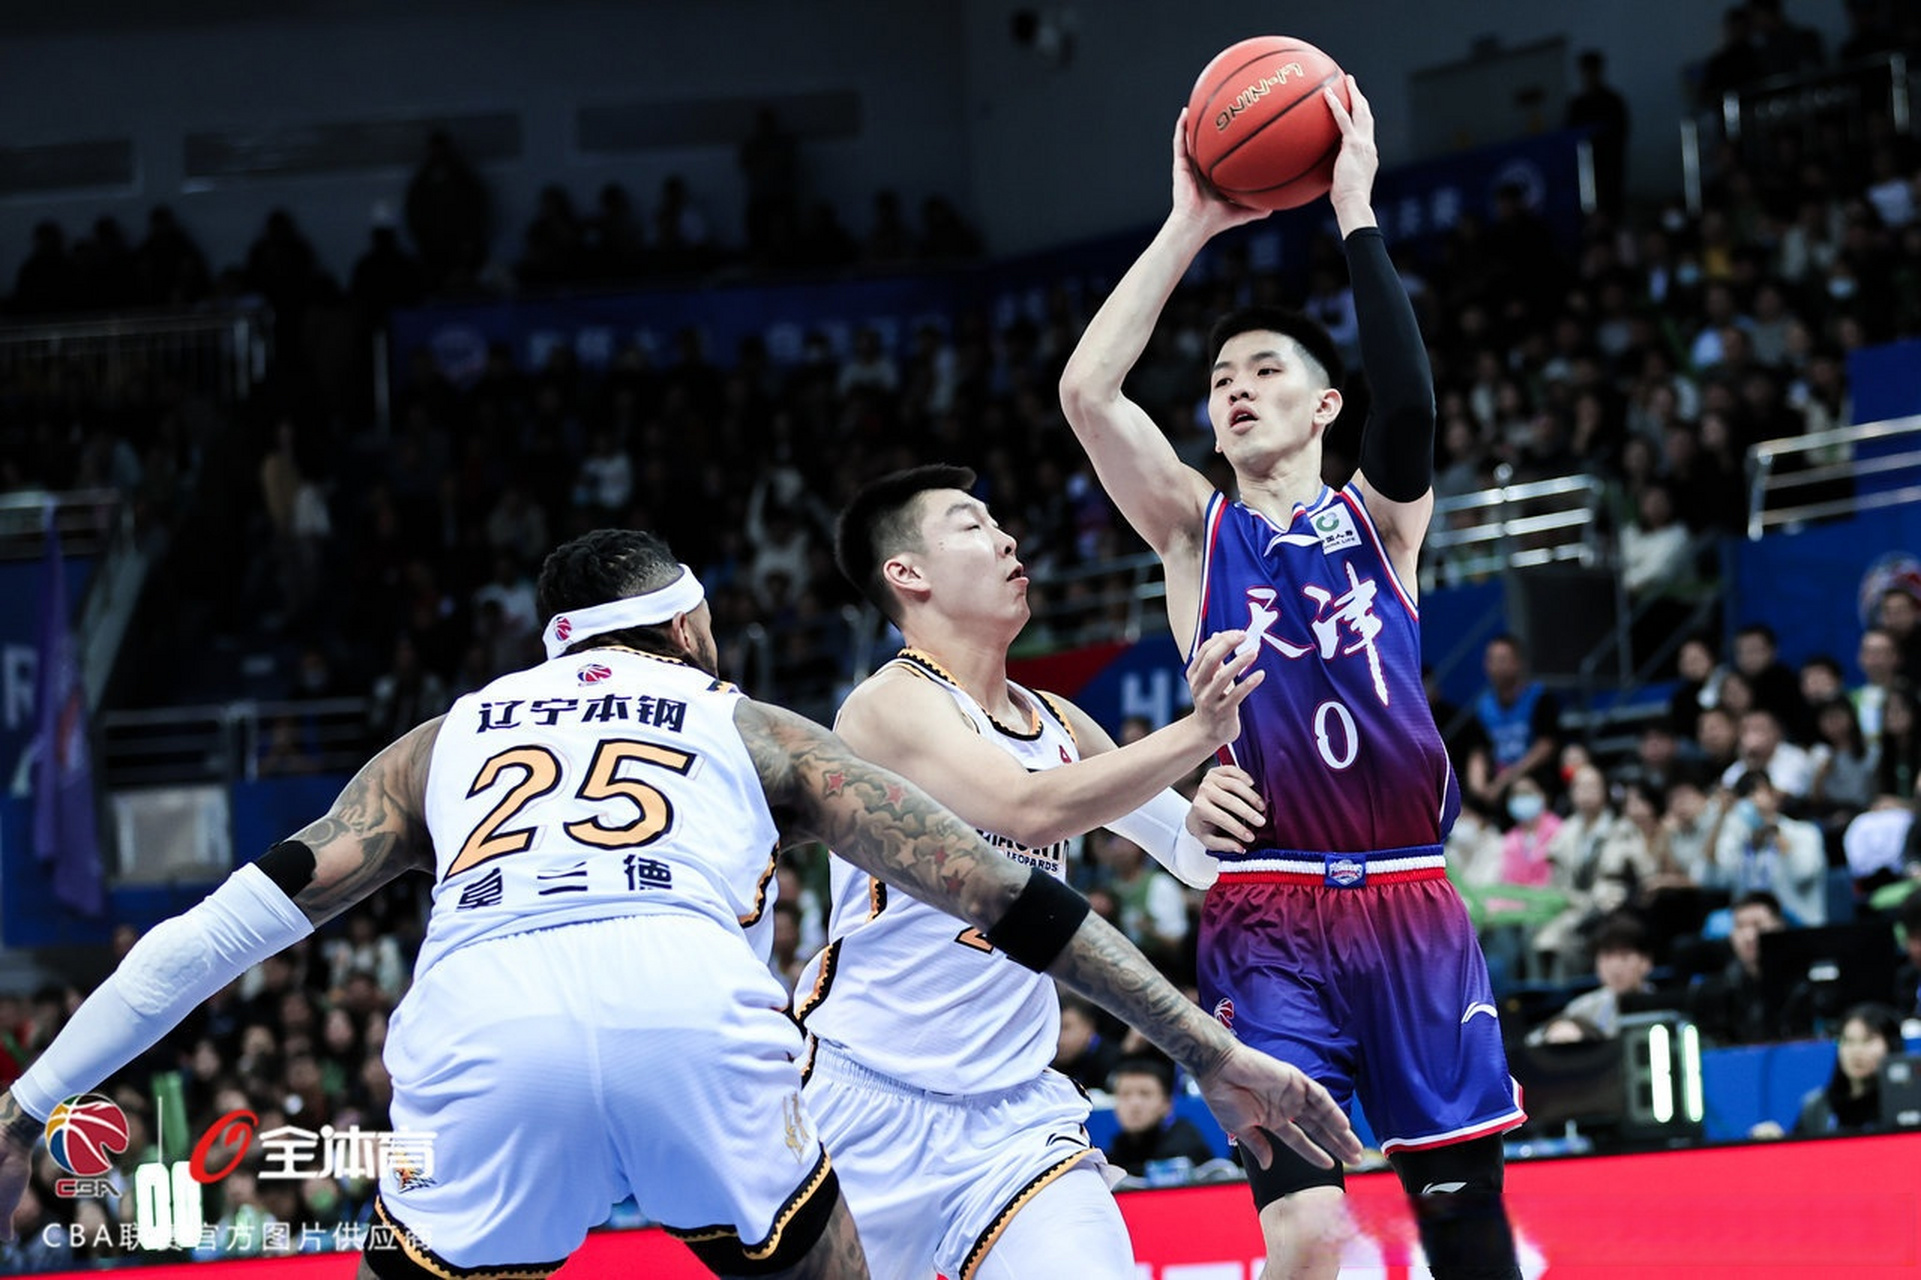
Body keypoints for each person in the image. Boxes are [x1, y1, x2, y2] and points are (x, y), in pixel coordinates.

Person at [0, 529, 1358, 1279]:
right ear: (692, 625)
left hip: (487, 1024)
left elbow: (213, 936)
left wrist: (29, 1101)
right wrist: (1207, 1047)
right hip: (690, 1015)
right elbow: (1009, 893)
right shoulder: (750, 724)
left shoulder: (437, 742)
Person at [1057, 79, 1525, 1280]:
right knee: (1308, 1237)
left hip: (1411, 903)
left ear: (1323, 404)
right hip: (1268, 910)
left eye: (1263, 368)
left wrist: (1354, 208)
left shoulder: (1382, 523)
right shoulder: (1191, 530)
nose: (1234, 386)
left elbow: (1408, 402)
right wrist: (1191, 223)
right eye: (1219, 379)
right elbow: (1087, 394)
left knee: (1464, 1228)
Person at [798, 465, 1267, 1278]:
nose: (1006, 538)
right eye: (970, 525)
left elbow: (1189, 859)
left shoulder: (1057, 722)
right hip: (866, 1100)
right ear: (906, 574)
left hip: (1015, 1119)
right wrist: (1196, 733)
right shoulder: (884, 705)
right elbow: (1025, 808)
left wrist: (1212, 813)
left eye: (997, 522)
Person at [1750, 1003, 1904, 1139]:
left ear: (1891, 1045)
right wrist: (1776, 1140)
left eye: (1867, 1040)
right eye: (1848, 1041)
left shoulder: (1904, 1105)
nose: (1856, 1051)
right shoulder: (1817, 1107)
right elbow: (1801, 1154)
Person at [1713, 770, 1828, 926]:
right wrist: (1721, 818)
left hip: (1799, 927)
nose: (1752, 801)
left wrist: (1771, 827)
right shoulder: (1740, 840)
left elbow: (1803, 873)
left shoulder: (1805, 832)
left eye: (1756, 793)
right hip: (1748, 929)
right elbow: (1716, 879)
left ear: (1774, 797)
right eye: (1745, 796)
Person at [1469, 634, 1564, 813]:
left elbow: (1546, 746)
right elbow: (1478, 752)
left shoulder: (1540, 698)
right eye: (1491, 660)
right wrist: (1478, 786)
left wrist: (1507, 778)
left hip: (1534, 775)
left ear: (1518, 663)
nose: (1496, 666)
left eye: (1502, 660)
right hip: (1497, 779)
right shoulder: (1483, 706)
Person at [1526, 914, 1656, 1044]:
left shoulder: (1660, 1004)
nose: (1615, 967)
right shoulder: (1585, 1007)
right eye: (1607, 956)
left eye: (1624, 956)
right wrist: (1557, 1030)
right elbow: (1533, 1040)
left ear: (1646, 961)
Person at [1689, 890, 1790, 1045]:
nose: (1749, 936)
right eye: (1740, 926)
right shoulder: (1712, 992)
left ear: (1779, 927)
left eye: (1758, 925)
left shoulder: (1801, 987)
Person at [1102, 1056, 1221, 1181]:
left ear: (1167, 1103)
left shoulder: (1185, 1145)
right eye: (1125, 1094)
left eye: (1145, 1094)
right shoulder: (1113, 1155)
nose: (1134, 1104)